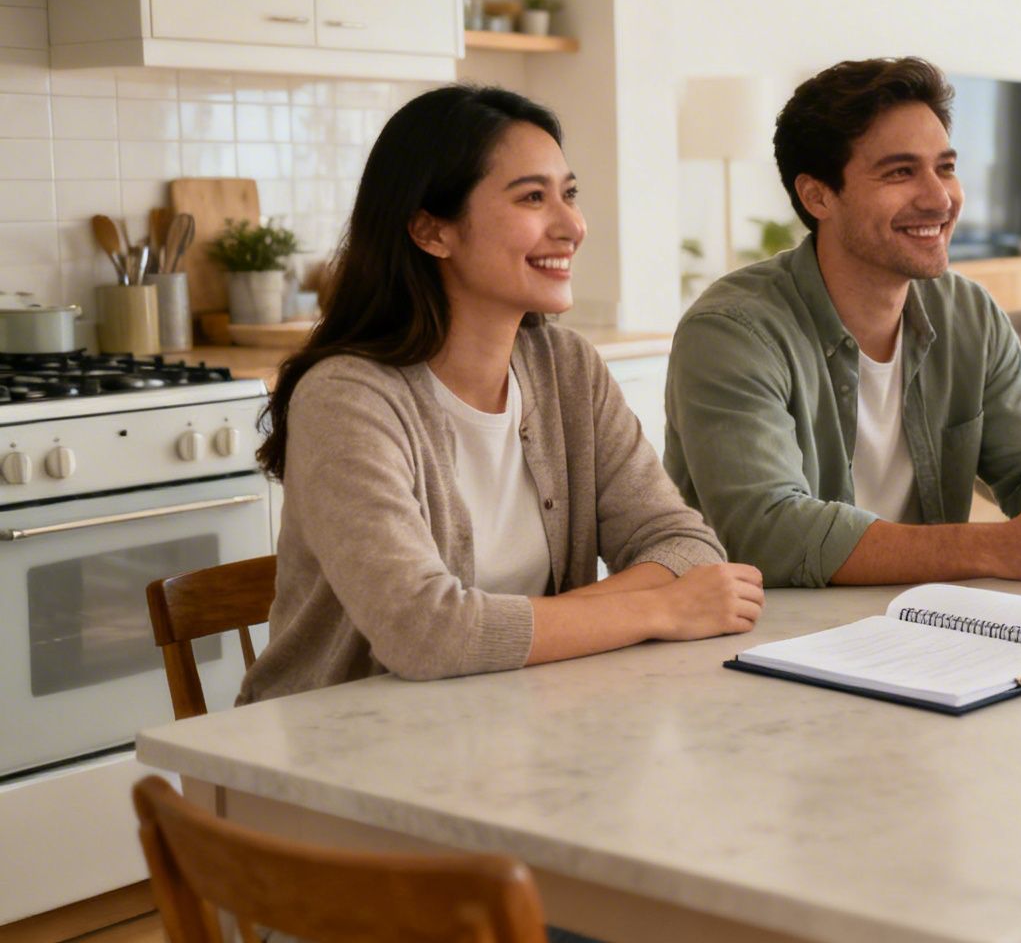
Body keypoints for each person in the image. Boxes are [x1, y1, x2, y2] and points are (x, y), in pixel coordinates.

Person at [241, 85, 764, 705]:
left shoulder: (565, 366)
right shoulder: (348, 399)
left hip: (508, 721)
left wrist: (509, 625)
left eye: (568, 194)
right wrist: (661, 611)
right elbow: (425, 633)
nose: (572, 226)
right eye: (532, 198)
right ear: (431, 231)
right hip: (327, 755)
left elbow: (685, 546)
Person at [665, 57, 1021, 588]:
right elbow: (769, 531)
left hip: (924, 626)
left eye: (945, 167)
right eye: (901, 172)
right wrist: (999, 547)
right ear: (818, 196)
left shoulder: (968, 312)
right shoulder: (731, 332)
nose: (939, 198)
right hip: (770, 638)